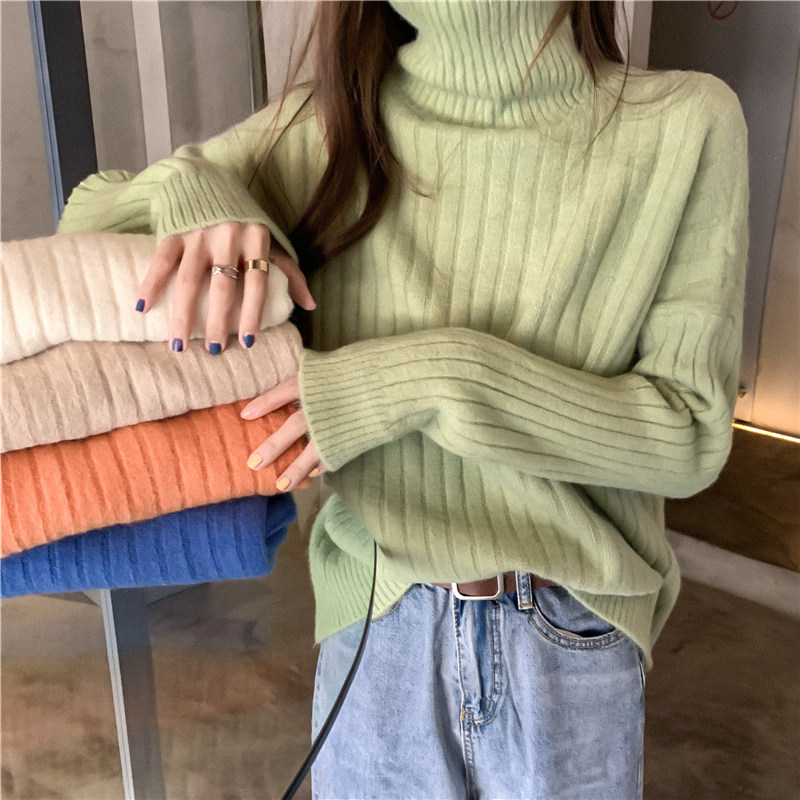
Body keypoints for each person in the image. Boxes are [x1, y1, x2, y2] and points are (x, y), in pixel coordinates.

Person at [58, 1, 750, 797]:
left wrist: (429, 380)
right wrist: (199, 197)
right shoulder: (327, 129)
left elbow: (687, 436)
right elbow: (87, 213)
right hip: (378, 631)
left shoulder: (684, 125)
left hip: (569, 635)